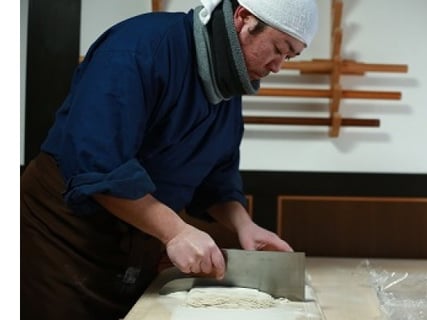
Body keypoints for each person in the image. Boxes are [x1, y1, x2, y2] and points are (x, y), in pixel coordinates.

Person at [20, 0, 318, 319]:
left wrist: (243, 225)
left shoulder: (226, 84)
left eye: (289, 56)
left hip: (137, 239)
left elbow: (215, 178)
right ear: (243, 19)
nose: (278, 67)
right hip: (63, 234)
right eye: (278, 48)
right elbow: (100, 165)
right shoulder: (139, 48)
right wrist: (175, 232)